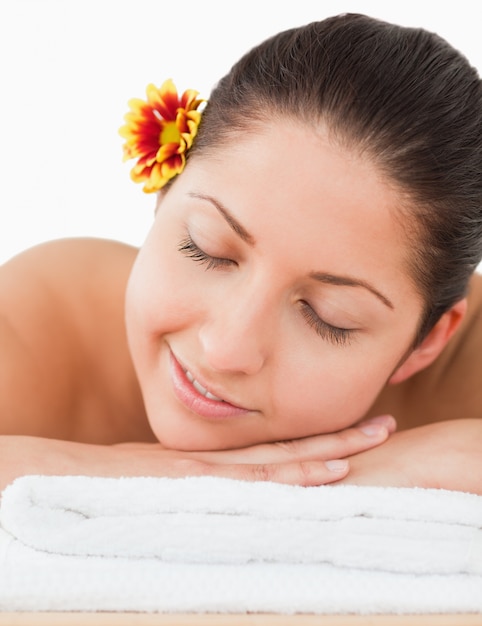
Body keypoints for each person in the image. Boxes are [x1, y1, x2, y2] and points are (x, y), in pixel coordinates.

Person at [0, 12, 481, 495]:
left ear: (427, 341)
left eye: (326, 317)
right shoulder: (50, 321)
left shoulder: (466, 366)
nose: (225, 350)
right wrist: (145, 473)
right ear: (165, 191)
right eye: (207, 249)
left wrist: (402, 465)